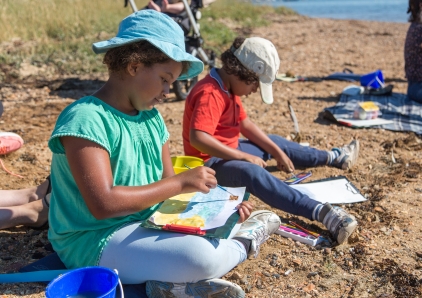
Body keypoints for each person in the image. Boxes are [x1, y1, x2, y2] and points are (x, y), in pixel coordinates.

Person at [47, 10, 280, 297]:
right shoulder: (86, 118)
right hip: (94, 239)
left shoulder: (152, 119)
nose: (168, 91)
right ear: (133, 66)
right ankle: (244, 244)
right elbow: (103, 204)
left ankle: (170, 285)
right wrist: (183, 182)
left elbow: (168, 189)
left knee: (217, 232)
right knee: (200, 258)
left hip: (146, 222)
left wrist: (220, 209)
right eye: (165, 79)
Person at [182, 36, 359, 245]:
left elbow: (245, 125)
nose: (255, 90)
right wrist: (244, 156)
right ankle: (321, 212)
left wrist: (276, 151)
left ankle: (333, 157)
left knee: (272, 141)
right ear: (243, 73)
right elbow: (199, 138)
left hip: (229, 149)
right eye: (256, 84)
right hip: (210, 165)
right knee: (253, 172)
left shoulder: (227, 87)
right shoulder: (210, 92)